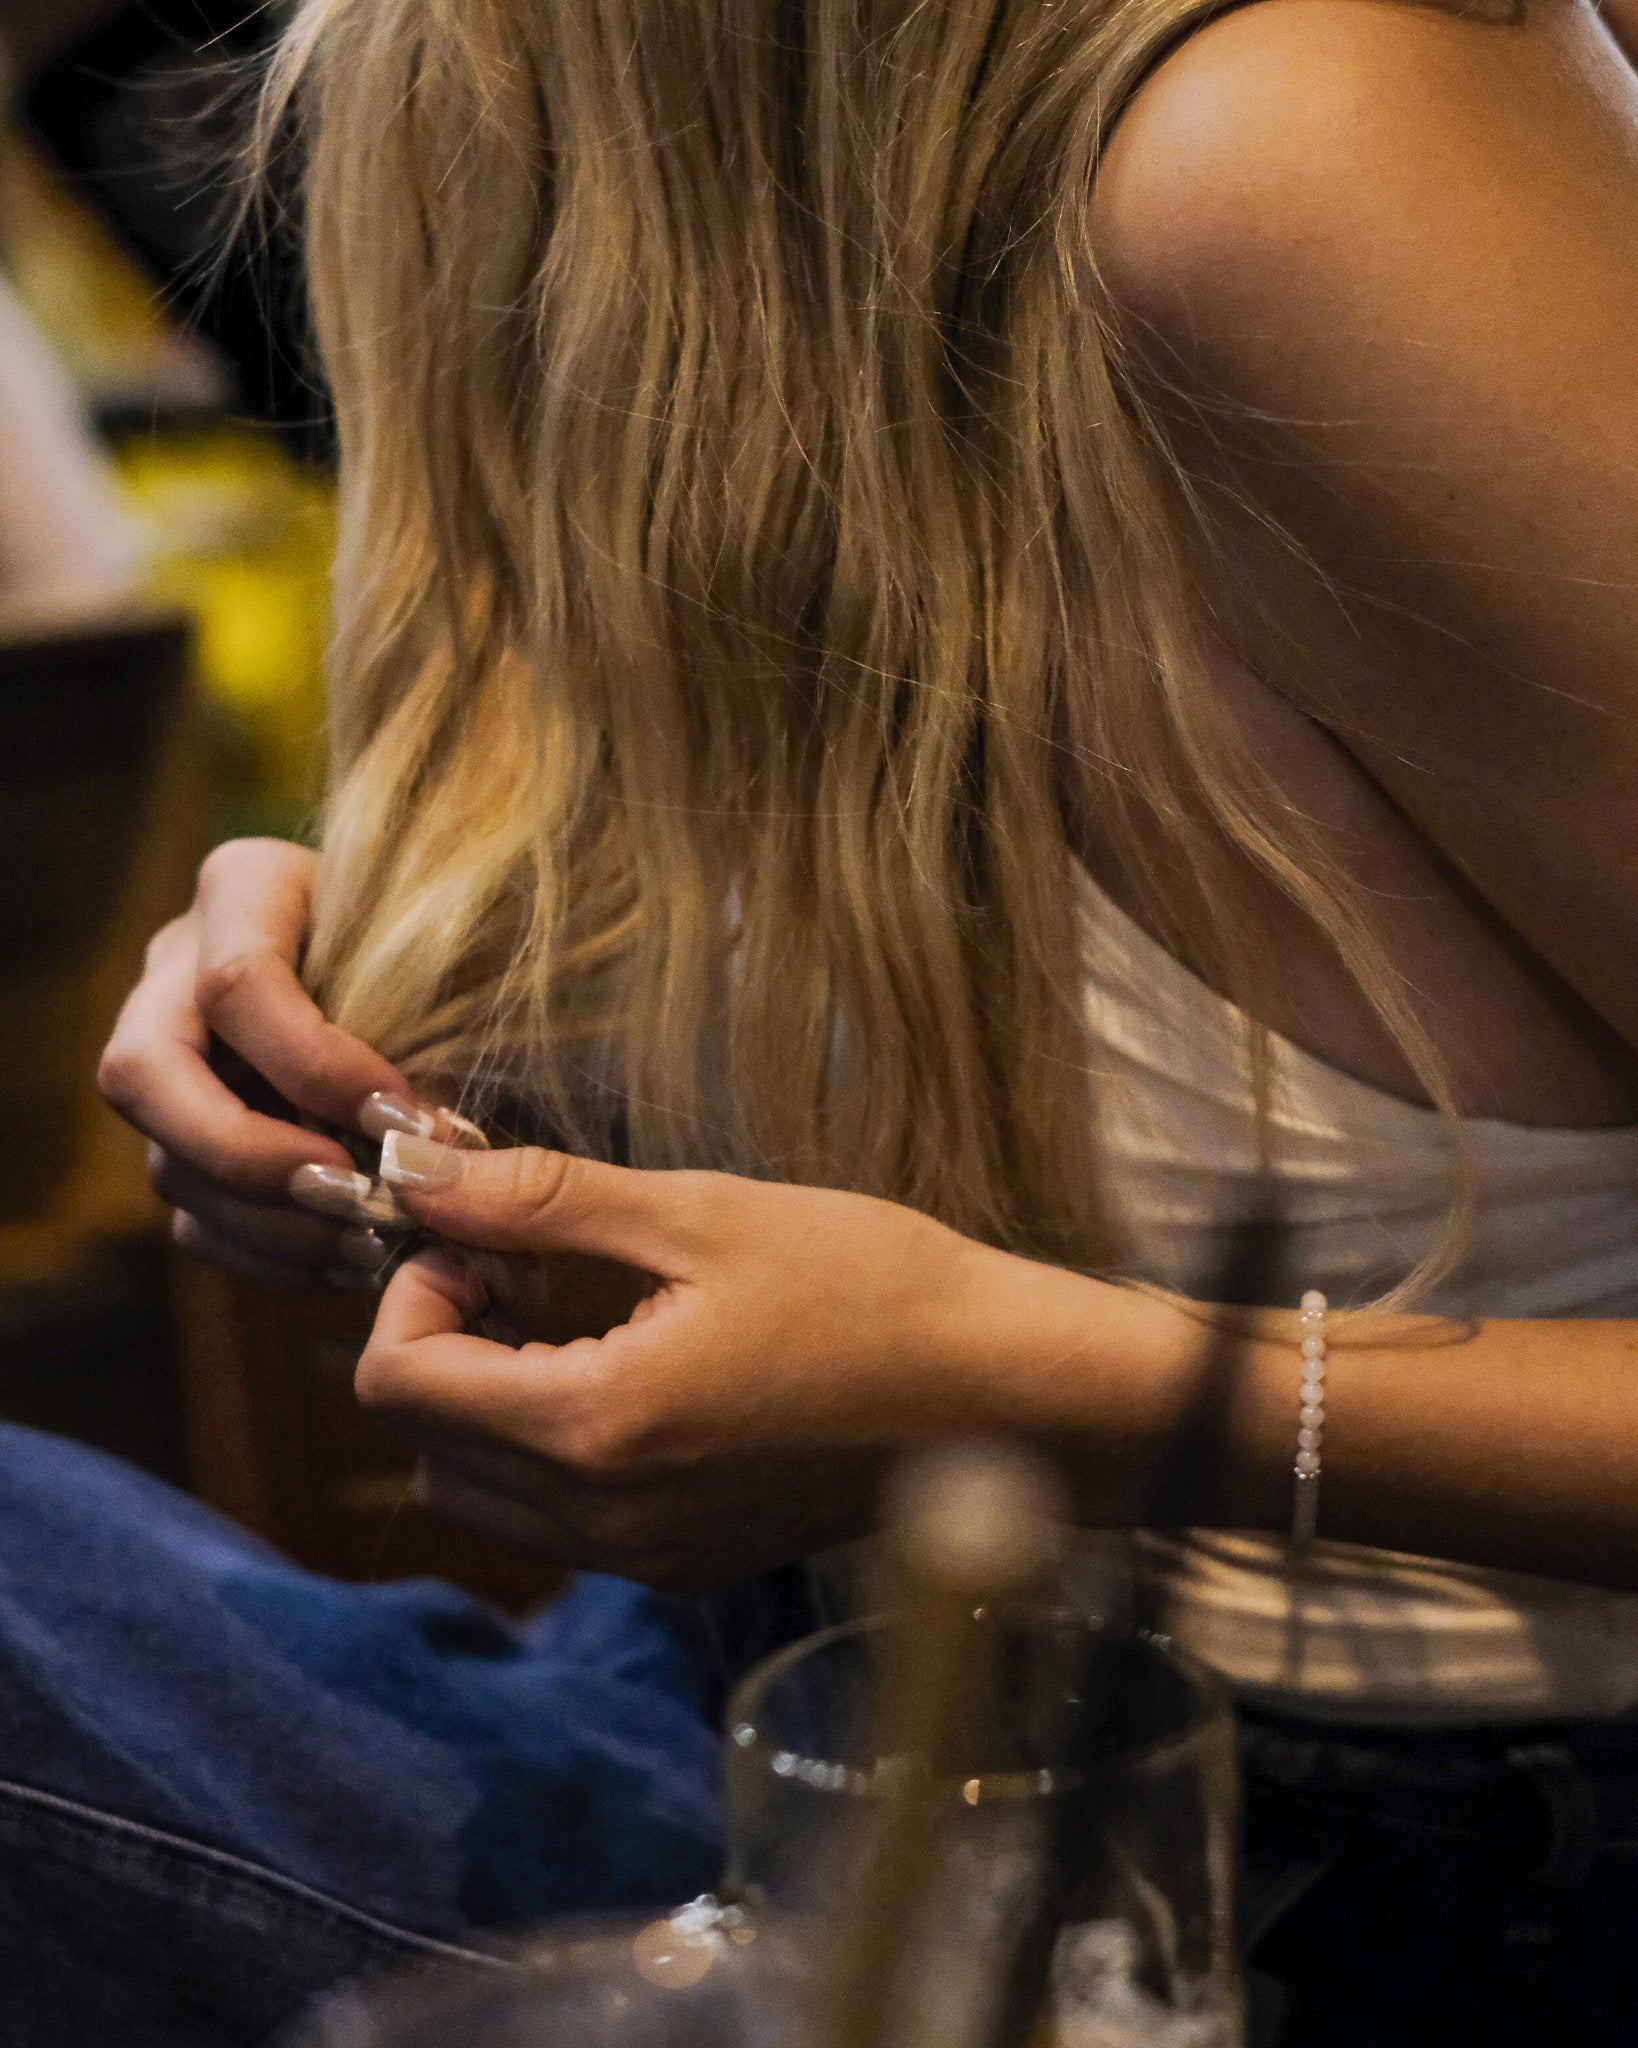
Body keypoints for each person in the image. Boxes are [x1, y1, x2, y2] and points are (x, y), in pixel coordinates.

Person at [19, 0, 1638, 2039]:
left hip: (1383, 1868)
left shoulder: (1297, 136)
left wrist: (1053, 1384)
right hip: (802, 1685)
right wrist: (390, 989)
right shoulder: (481, 75)